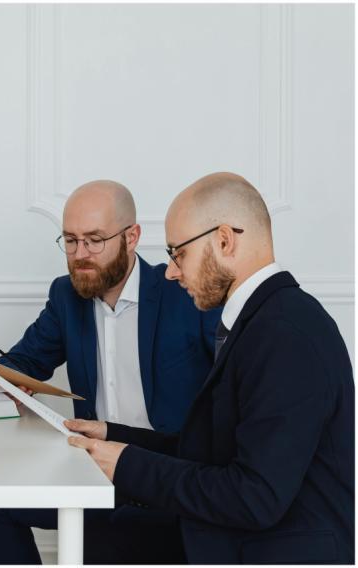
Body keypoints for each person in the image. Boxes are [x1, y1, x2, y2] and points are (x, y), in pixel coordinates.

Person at [67, 172, 354, 564]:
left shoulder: (285, 332)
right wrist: (112, 434)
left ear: (224, 240)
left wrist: (126, 465)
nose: (169, 271)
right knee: (98, 536)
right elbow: (212, 450)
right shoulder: (262, 320)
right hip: (239, 538)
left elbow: (255, 498)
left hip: (275, 551)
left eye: (177, 253)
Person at [0, 180, 221, 564]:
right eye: (70, 240)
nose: (80, 254)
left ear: (132, 236)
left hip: (170, 476)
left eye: (94, 240)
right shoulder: (67, 296)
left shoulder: (184, 291)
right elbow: (23, 362)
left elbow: (230, 397)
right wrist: (2, 378)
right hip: (95, 472)